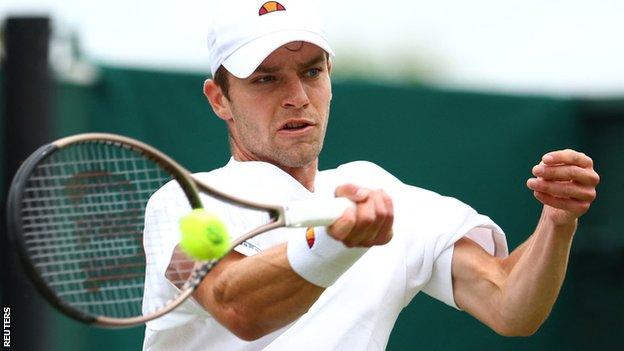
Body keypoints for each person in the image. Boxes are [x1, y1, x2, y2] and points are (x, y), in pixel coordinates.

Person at [142, 0, 600, 350]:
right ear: (219, 99)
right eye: (265, 79)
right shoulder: (178, 203)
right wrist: (334, 243)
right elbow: (234, 305)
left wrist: (557, 222)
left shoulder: (381, 192)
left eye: (312, 72)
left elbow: (509, 307)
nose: (298, 96)